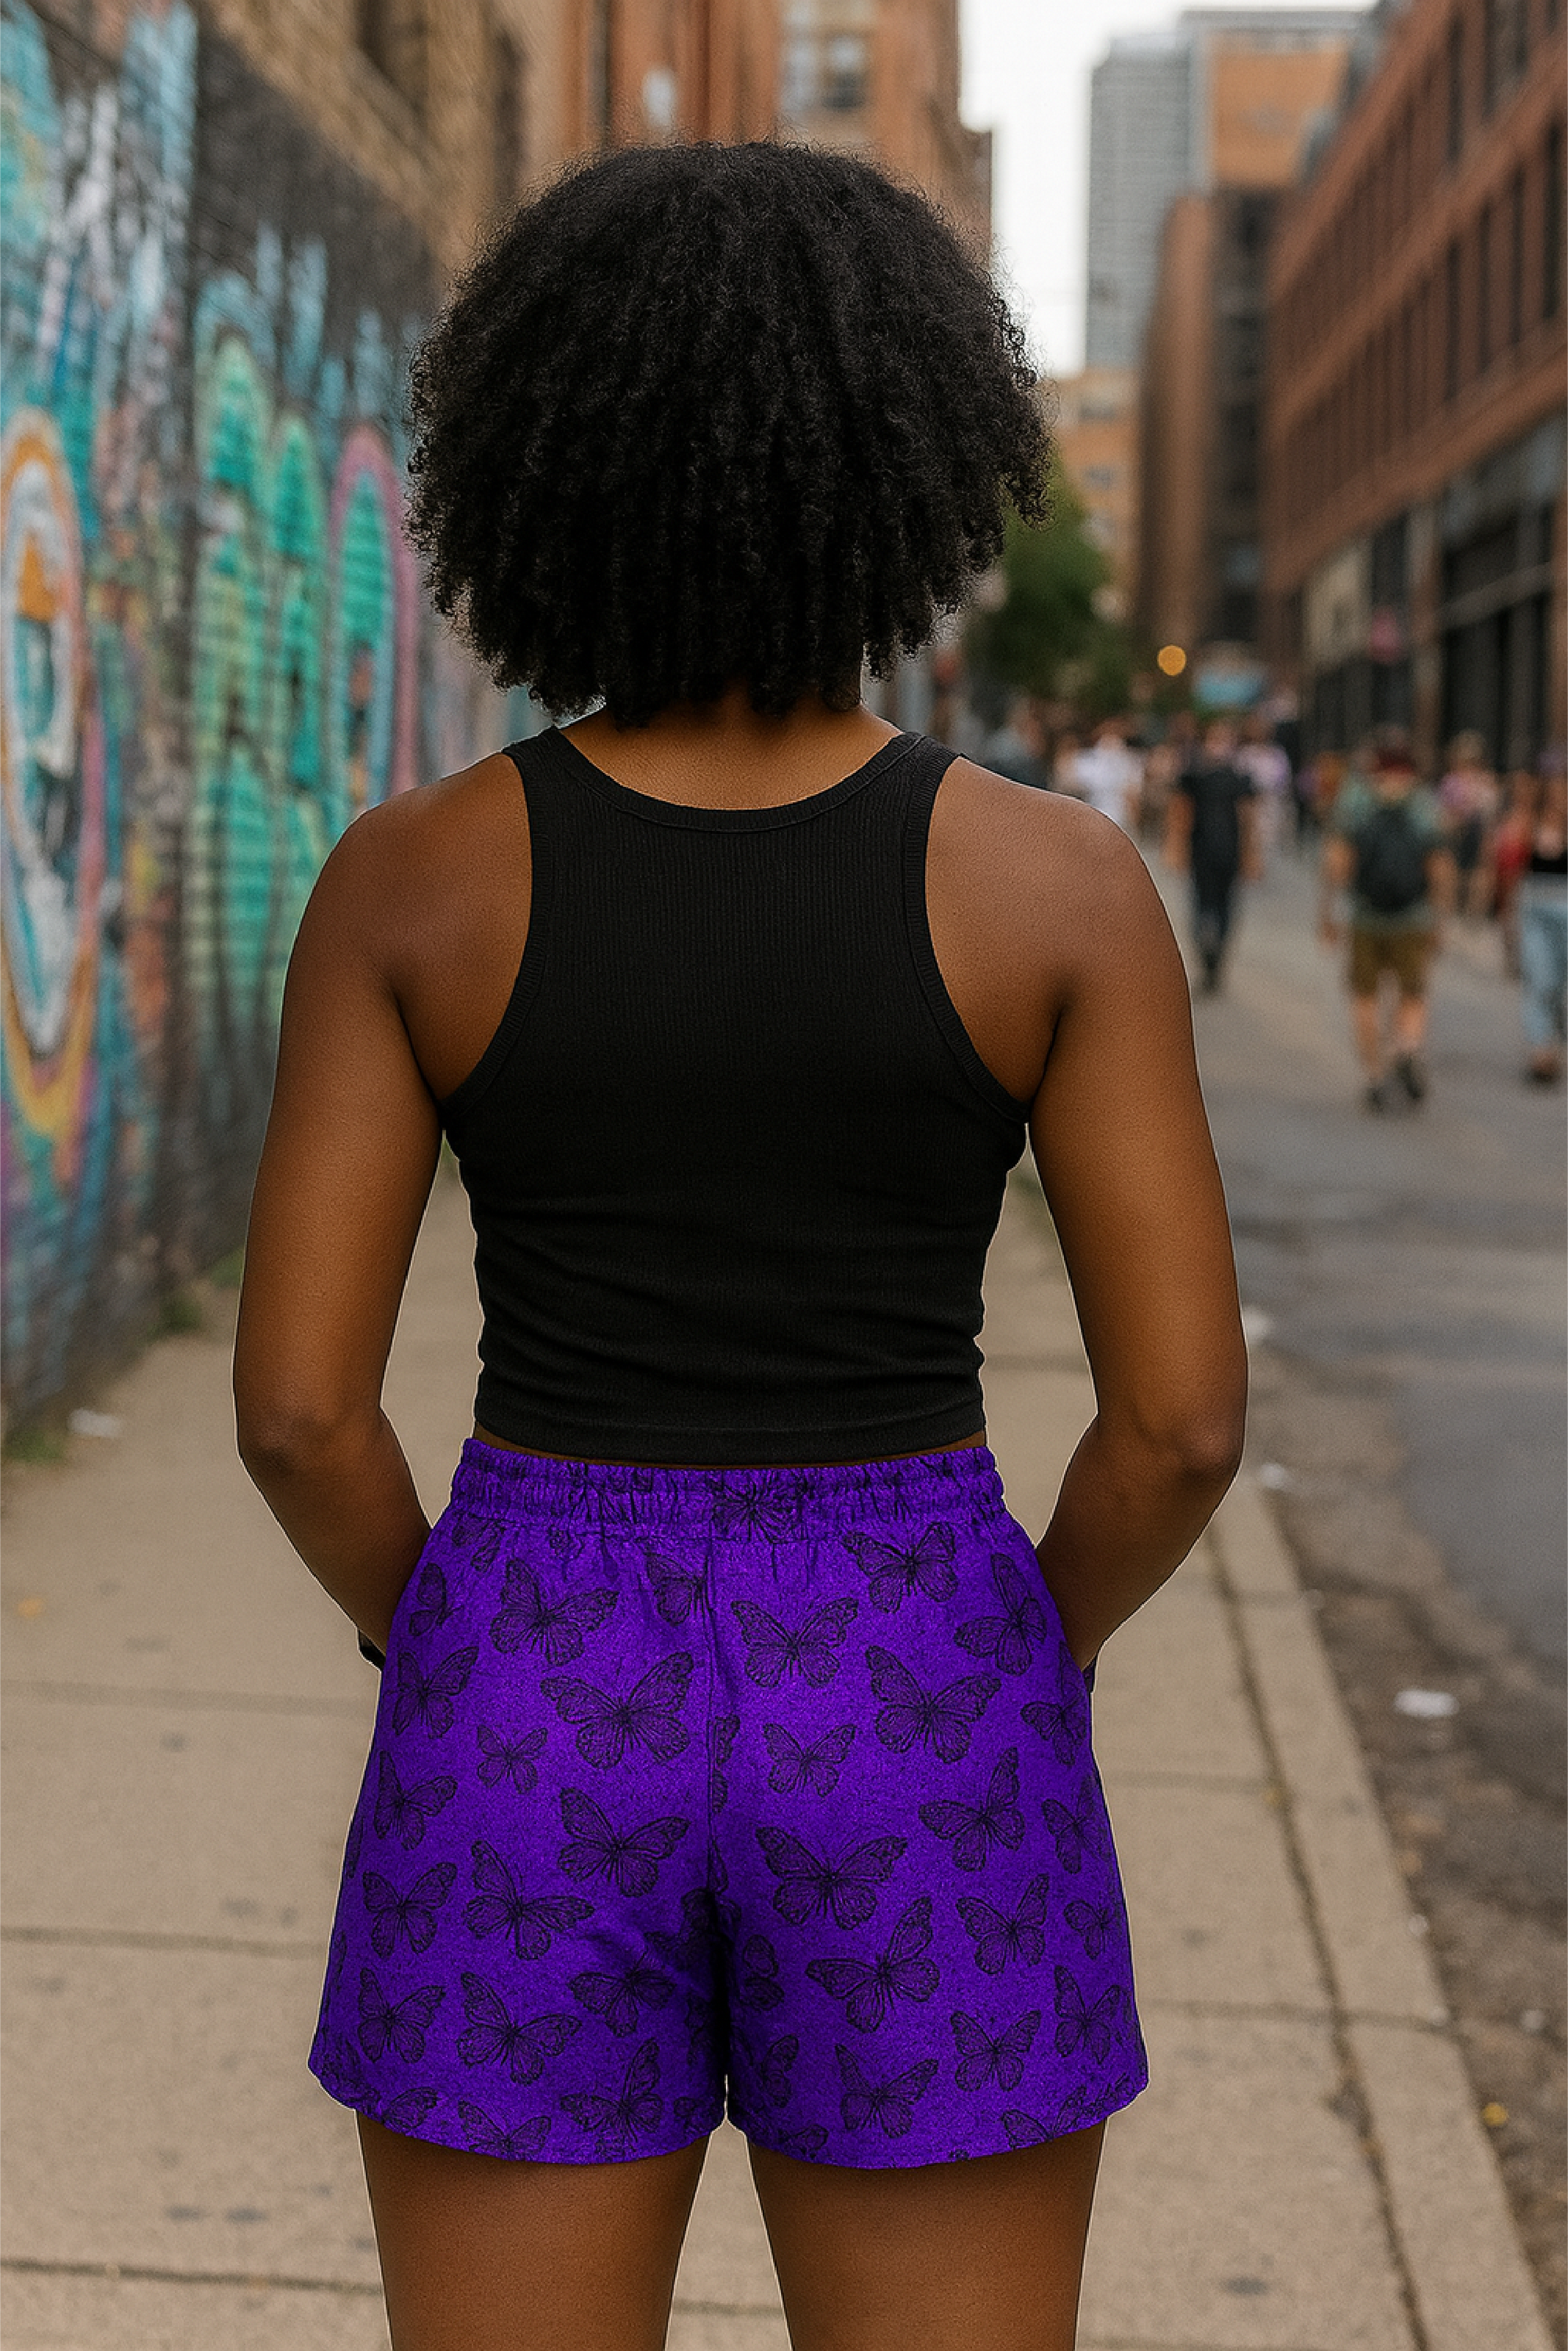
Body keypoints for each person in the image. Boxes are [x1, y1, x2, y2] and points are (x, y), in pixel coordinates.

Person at [233, 143, 1246, 2351]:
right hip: (919, 1664)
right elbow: (1175, 1420)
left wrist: (467, 1643)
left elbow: (303, 1408)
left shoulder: (415, 881)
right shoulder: (1053, 888)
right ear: (912, 472)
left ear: (537, 468)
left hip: (529, 1643)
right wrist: (1020, 1645)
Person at [1319, 740, 1454, 1110]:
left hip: (1366, 915)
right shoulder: (1423, 802)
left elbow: (1337, 861)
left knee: (1365, 996)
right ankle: (1408, 1047)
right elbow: (1440, 865)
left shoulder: (1357, 801)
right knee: (1412, 992)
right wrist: (1440, 919)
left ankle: (1375, 1077)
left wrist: (1328, 912)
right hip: (1413, 916)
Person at [1163, 718, 1262, 993]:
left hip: (1228, 852)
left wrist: (1251, 854)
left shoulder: (1240, 779)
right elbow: (1181, 810)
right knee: (1201, 907)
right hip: (1201, 851)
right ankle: (1208, 957)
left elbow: (1248, 818)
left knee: (1224, 909)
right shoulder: (1194, 776)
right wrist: (1176, 846)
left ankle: (1215, 960)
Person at [1518, 765, 1568, 1083]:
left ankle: (1553, 1037)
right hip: (1535, 904)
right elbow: (1511, 868)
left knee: (1558, 984)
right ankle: (1542, 1053)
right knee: (1540, 981)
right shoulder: (1528, 823)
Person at [1438, 730, 1500, 919]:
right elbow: (1443, 816)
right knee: (1450, 870)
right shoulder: (1449, 783)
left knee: (1481, 875)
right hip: (1455, 836)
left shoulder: (1486, 783)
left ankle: (1476, 915)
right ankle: (1448, 913)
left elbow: (1491, 814)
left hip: (1479, 836)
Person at [1489, 768, 1541, 980]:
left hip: (1522, 874)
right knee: (1507, 917)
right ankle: (1512, 956)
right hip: (1504, 871)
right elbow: (1494, 844)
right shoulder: (1505, 814)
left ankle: (1523, 958)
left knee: (1520, 916)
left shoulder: (1534, 817)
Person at [1072, 717, 1142, 831]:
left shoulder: (1130, 761)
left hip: (1118, 820)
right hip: (1093, 818)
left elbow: (1132, 797)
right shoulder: (1087, 760)